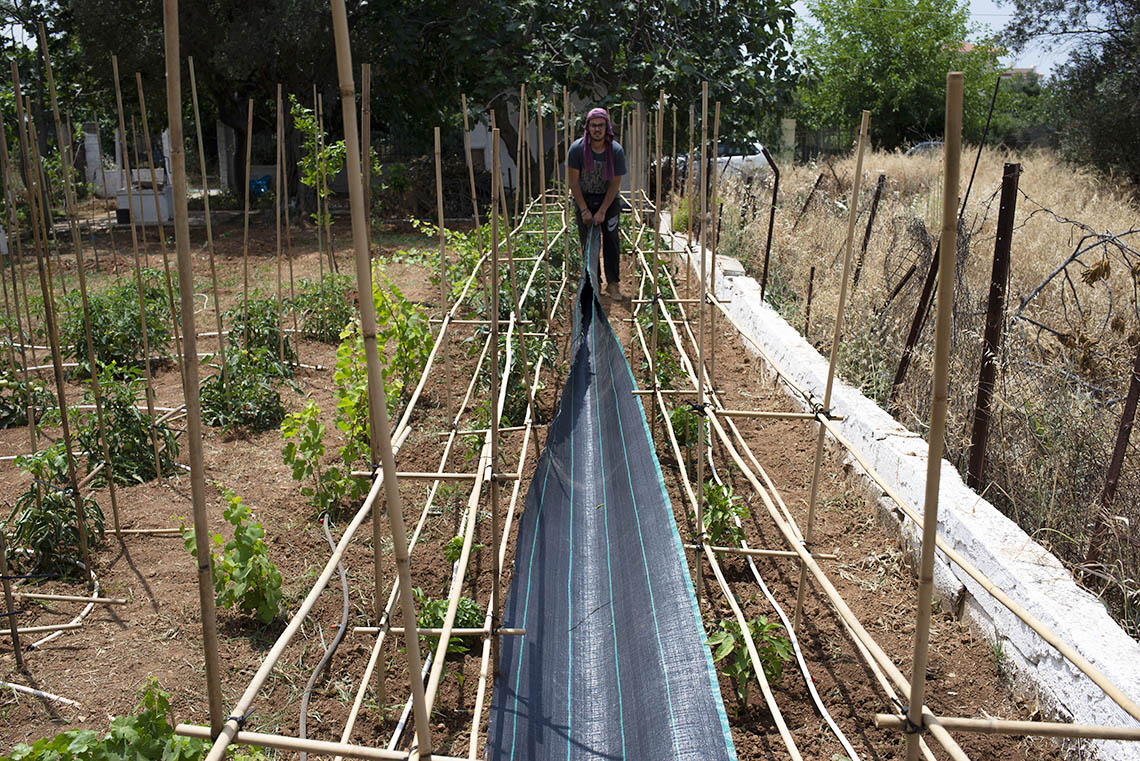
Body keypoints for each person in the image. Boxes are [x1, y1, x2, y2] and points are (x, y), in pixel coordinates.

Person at [567, 107, 627, 297]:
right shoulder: (577, 149)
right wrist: (584, 210)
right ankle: (594, 282)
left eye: (601, 125)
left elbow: (615, 184)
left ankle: (613, 283)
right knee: (588, 242)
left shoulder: (615, 151)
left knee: (611, 239)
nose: (597, 129)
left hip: (608, 201)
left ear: (606, 127)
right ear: (588, 127)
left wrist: (602, 211)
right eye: (593, 125)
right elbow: (573, 182)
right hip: (584, 198)